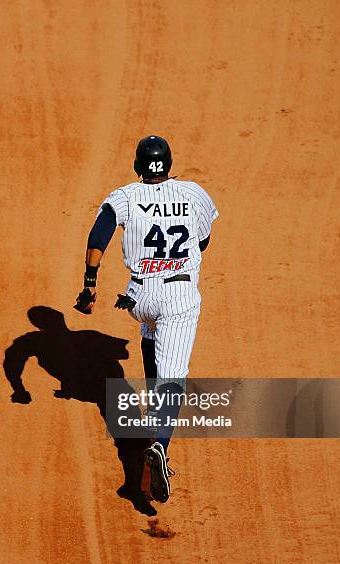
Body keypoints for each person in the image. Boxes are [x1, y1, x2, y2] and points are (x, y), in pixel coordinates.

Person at [74, 135, 218, 504]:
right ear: (169, 164)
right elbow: (202, 241)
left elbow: (98, 236)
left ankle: (154, 422)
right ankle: (159, 446)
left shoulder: (124, 197)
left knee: (151, 332)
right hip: (178, 296)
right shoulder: (194, 193)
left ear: (138, 167)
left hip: (139, 296)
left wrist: (90, 285)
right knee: (173, 381)